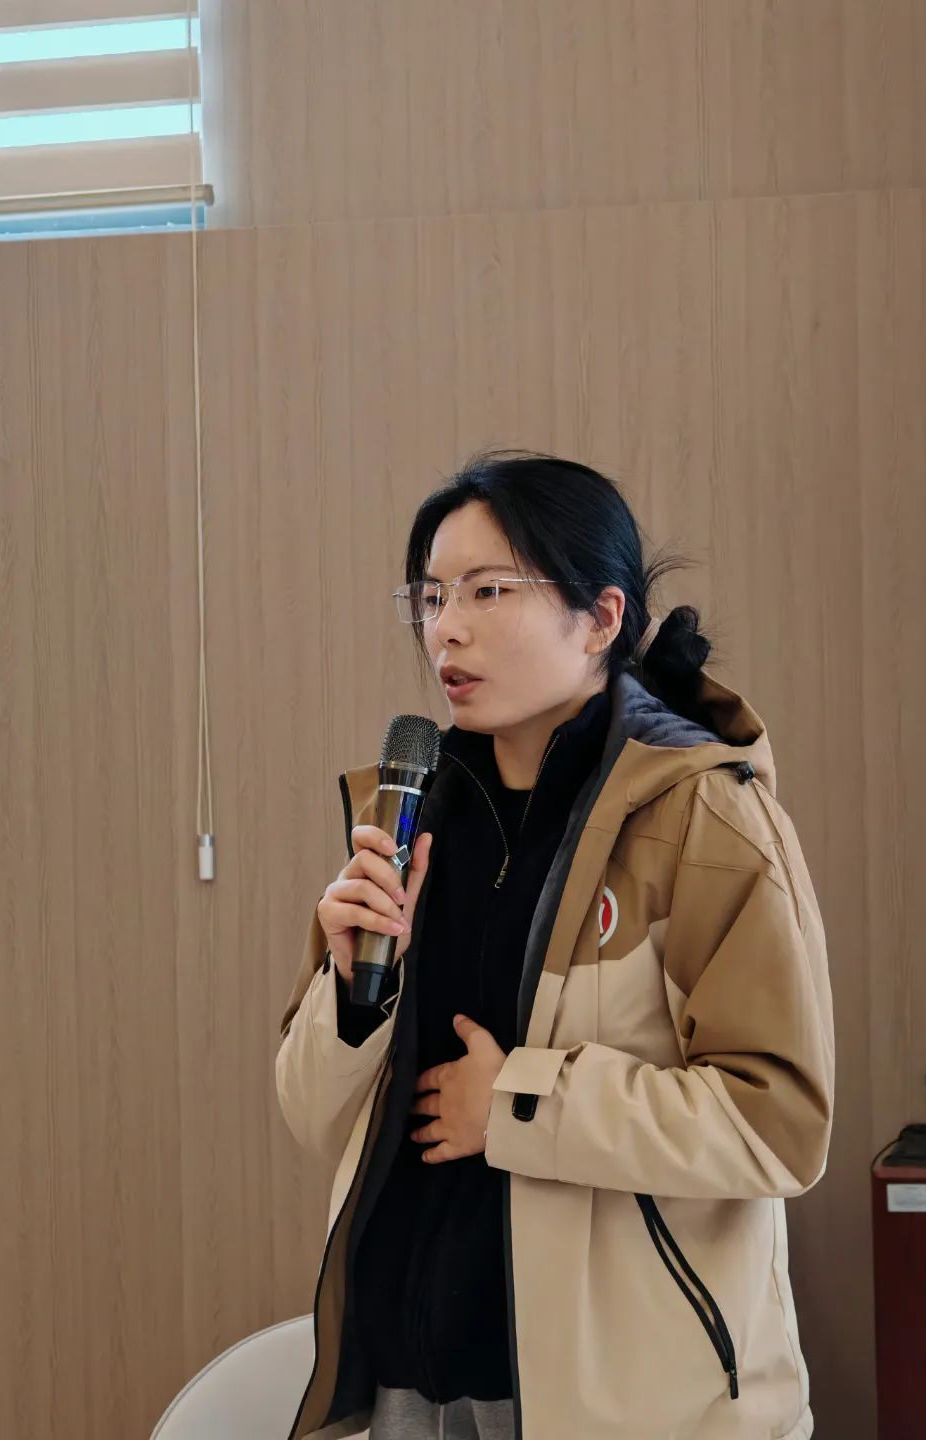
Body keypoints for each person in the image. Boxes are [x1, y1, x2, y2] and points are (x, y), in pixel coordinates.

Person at [276, 451, 834, 1440]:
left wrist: (517, 1102)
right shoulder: (408, 820)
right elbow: (320, 1121)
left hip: (632, 1408)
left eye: (488, 591)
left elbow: (777, 1122)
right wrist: (355, 992)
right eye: (431, 596)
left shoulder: (702, 819)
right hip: (416, 1391)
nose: (446, 628)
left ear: (601, 617)